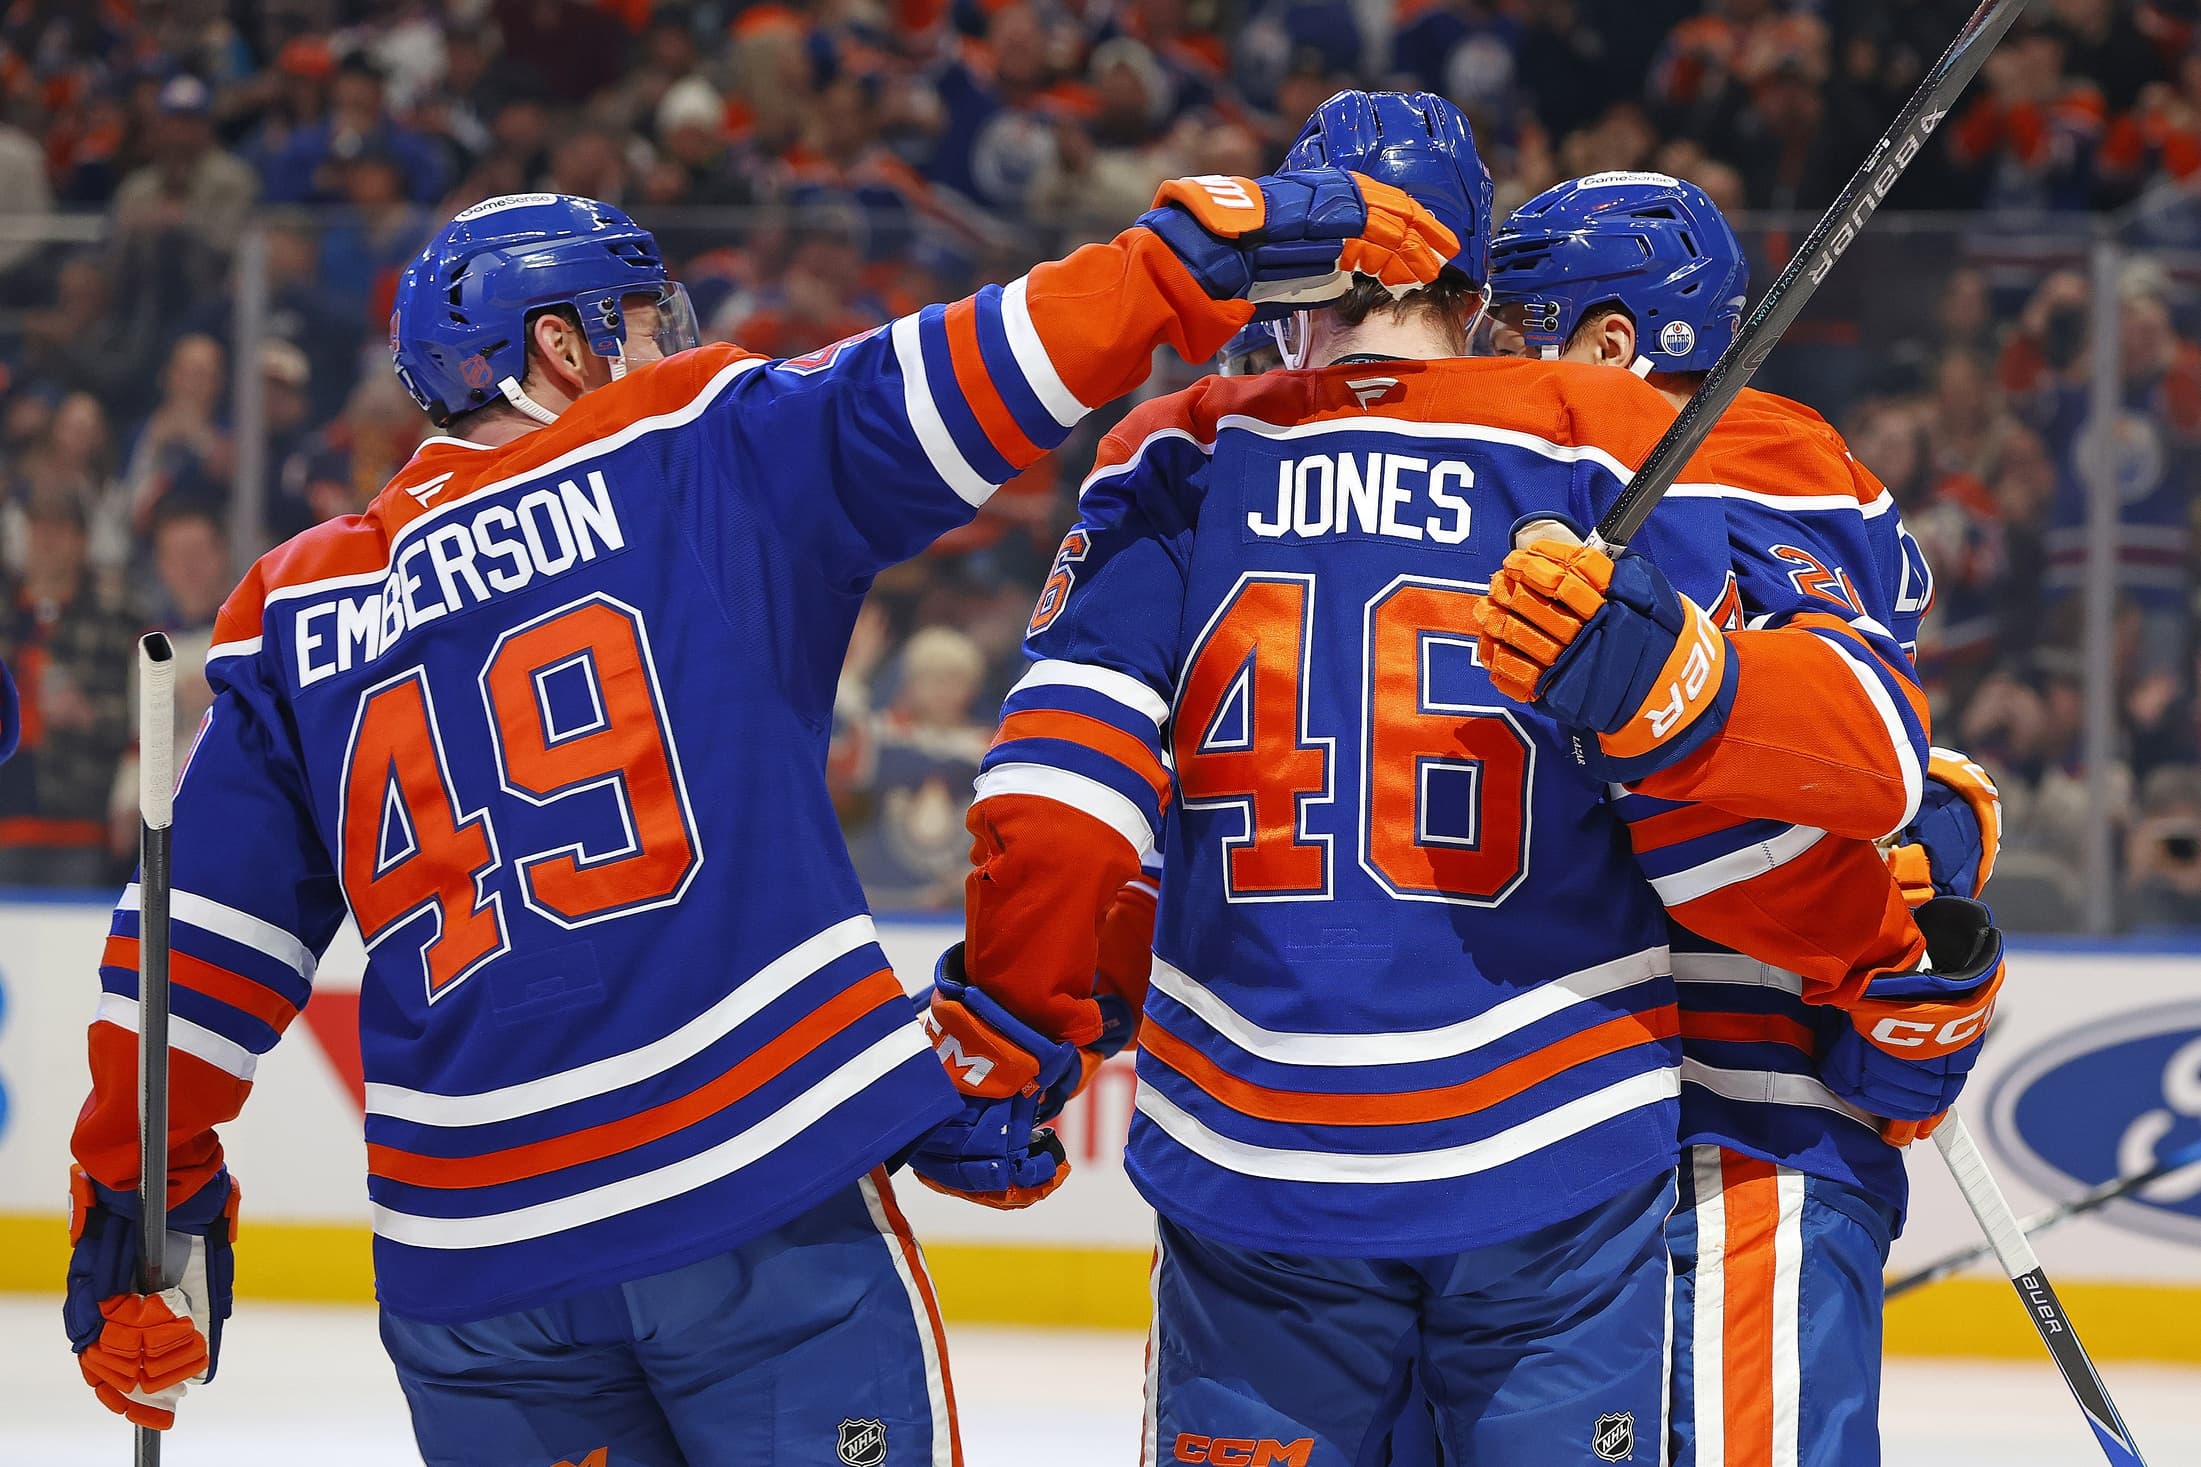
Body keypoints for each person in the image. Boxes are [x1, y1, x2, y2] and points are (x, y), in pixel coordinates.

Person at [60, 181, 1459, 1465]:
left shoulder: (286, 610)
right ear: (557, 346)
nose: (659, 341)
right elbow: (969, 371)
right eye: (630, 319)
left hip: (469, 1261)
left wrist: (137, 1209)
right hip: (743, 1187)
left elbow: (192, 959)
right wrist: (1177, 263)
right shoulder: (687, 443)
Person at [907, 94, 1984, 1467]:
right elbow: (1784, 815)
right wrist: (1884, 936)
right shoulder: (1596, 439)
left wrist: (1020, 1018)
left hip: (1319, 1152)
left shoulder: (1179, 448)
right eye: (1503, 308)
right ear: (1464, 282)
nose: (1508, 344)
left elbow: (1071, 805)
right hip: (1566, 1140)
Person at [1472, 171, 2006, 1467]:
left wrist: (1899, 928)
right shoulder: (1487, 481)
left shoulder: (1765, 458)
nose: (1478, 355)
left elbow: (1874, 765)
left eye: (1508, 324)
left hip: (1743, 1128)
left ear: (1607, 339)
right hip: (1540, 1137)